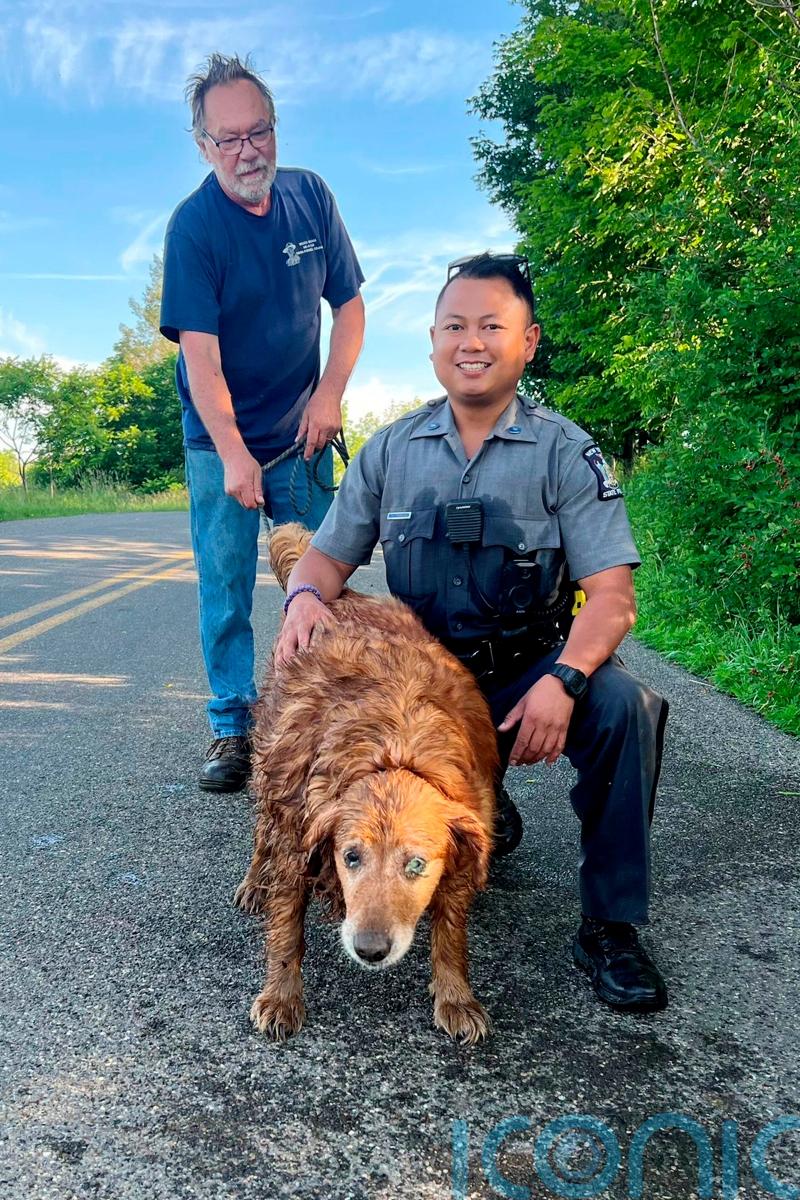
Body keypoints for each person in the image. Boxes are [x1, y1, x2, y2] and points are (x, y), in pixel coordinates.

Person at [272, 252, 669, 1013]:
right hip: (418, 682)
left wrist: (565, 681)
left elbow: (613, 600)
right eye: (454, 326)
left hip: (526, 670)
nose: (472, 342)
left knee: (627, 708)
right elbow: (325, 558)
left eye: (492, 325)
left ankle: (610, 926)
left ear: (529, 341)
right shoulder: (391, 450)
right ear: (432, 343)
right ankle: (474, 801)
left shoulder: (564, 452)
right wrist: (303, 599)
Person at [159, 54, 365, 792]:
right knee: (225, 584)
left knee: (322, 575)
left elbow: (350, 307)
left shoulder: (311, 196)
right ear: (203, 146)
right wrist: (234, 453)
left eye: (260, 131)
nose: (248, 151)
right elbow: (201, 361)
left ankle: (328, 718)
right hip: (218, 439)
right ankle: (231, 725)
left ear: (275, 127)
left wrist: (329, 394)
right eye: (229, 139)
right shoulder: (194, 228)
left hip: (303, 430)